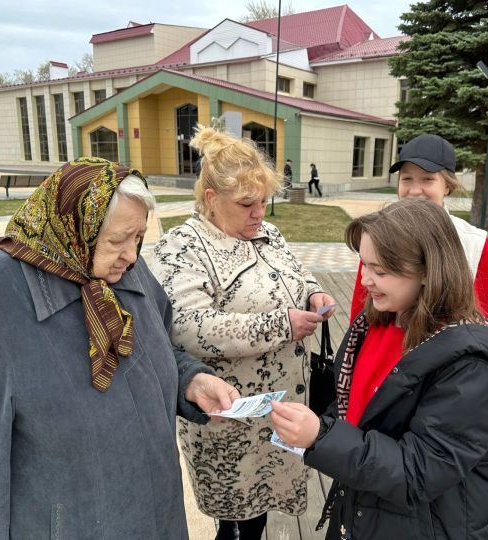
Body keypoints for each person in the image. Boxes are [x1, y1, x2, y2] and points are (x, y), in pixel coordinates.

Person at [0, 157, 240, 539]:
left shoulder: (124, 268)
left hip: (160, 518)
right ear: (75, 227)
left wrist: (190, 380)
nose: (132, 254)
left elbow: (157, 346)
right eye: (117, 240)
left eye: (138, 237)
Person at [270, 199, 488, 539]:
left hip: (429, 524)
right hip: (364, 509)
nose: (366, 281)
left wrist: (322, 437)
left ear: (428, 270)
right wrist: (322, 425)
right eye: (364, 265)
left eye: (381, 271)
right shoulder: (373, 325)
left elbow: (421, 471)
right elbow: (355, 409)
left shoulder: (473, 367)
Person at [152, 125, 336, 540]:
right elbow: (186, 326)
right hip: (230, 417)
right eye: (247, 204)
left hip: (281, 409)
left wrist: (312, 292)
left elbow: (295, 271)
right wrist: (280, 324)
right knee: (236, 522)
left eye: (265, 203)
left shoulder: (267, 233)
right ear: (211, 199)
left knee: (261, 514)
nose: (260, 214)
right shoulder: (184, 246)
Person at [350, 134, 488, 323]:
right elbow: (360, 307)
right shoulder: (379, 234)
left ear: (447, 186)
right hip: (384, 345)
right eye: (407, 179)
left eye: (427, 179)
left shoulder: (475, 243)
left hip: (445, 350)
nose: (414, 190)